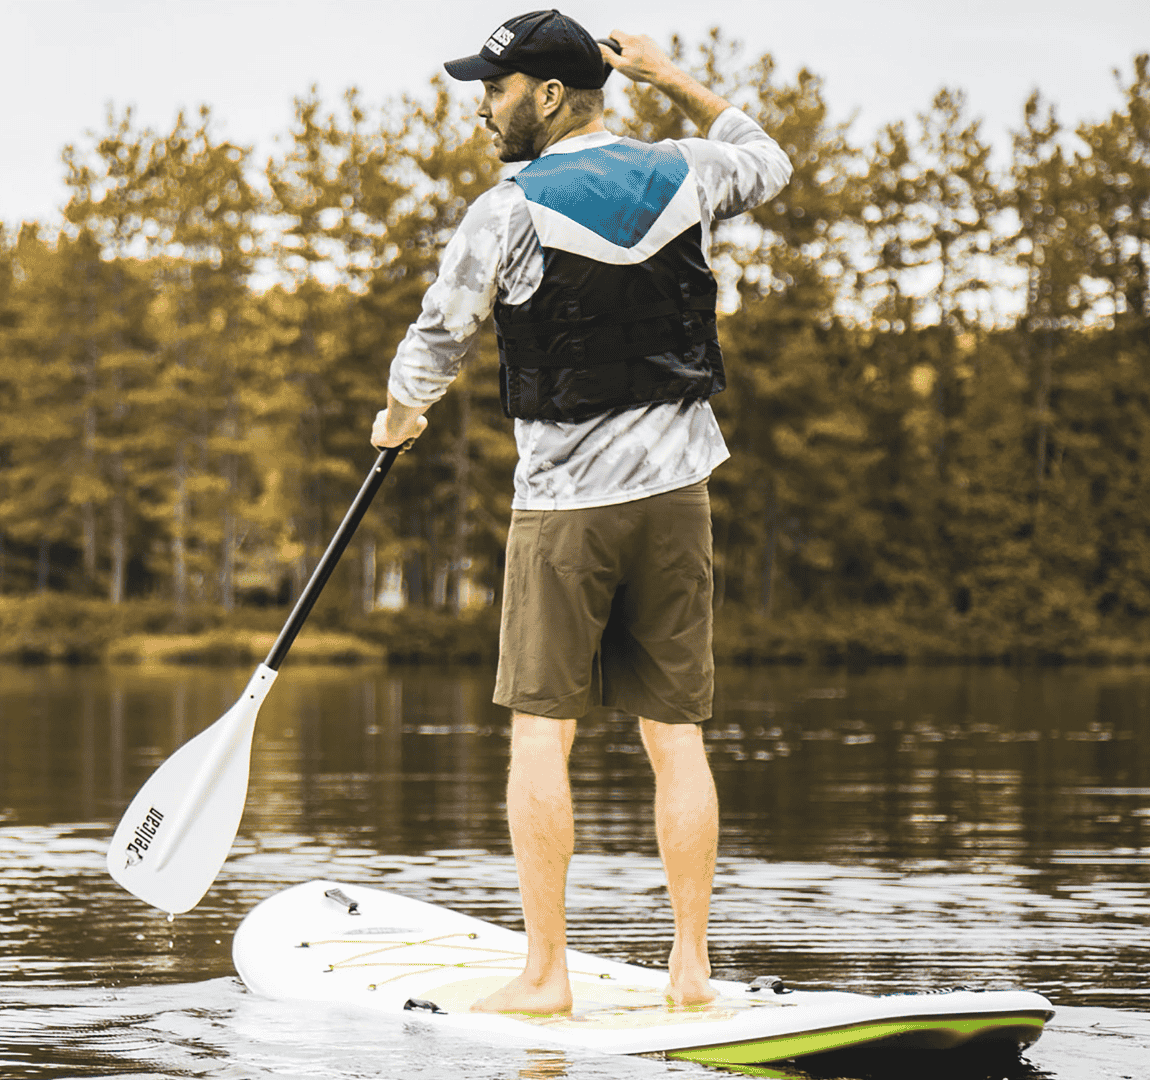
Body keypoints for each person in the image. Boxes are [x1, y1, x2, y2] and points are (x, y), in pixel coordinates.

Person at [369, 10, 792, 1015]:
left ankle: (548, 976)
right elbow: (765, 156)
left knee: (540, 736)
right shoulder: (685, 173)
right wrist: (669, 74)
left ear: (548, 95)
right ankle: (690, 973)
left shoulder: (506, 209)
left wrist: (398, 418)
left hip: (565, 511)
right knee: (674, 735)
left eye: (497, 88)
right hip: (678, 501)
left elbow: (438, 338)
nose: (483, 106)